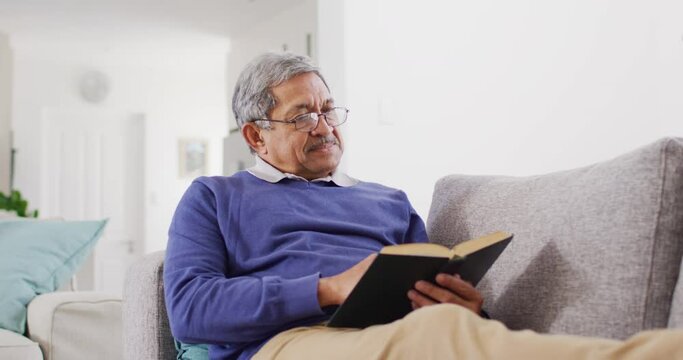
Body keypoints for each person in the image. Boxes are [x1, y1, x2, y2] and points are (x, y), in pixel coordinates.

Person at [164, 52, 683, 360]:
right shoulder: (214, 197)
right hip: (287, 345)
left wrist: (467, 304)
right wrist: (330, 288)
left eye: (328, 109)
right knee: (437, 337)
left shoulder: (387, 201)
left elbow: (427, 284)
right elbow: (190, 312)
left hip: (403, 331)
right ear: (256, 136)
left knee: (451, 329)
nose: (324, 126)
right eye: (302, 116)